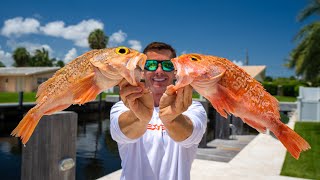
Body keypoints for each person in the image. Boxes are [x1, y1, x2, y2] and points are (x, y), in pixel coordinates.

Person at [110, 42, 207, 180]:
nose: (159, 71)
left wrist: (171, 119)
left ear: (175, 72)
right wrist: (139, 116)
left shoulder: (192, 107)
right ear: (143, 72)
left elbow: (191, 136)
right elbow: (120, 132)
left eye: (167, 65)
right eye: (151, 65)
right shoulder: (123, 106)